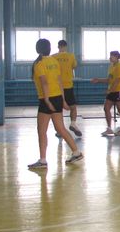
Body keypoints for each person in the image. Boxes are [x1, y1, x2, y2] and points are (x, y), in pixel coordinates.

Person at [28, 39, 84, 169]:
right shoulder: (54, 61)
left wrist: (47, 100)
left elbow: (44, 83)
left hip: (47, 99)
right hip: (58, 97)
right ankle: (76, 152)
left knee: (41, 130)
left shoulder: (39, 64)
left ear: (38, 49)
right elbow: (60, 81)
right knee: (60, 128)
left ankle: (43, 160)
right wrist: (63, 100)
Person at [91, 50, 120, 137]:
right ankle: (109, 128)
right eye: (110, 56)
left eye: (112, 56)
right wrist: (98, 80)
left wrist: (110, 90)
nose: (110, 58)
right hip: (112, 91)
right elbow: (109, 80)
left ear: (117, 57)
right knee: (106, 108)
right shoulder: (111, 66)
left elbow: (118, 80)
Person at [54, 40, 82, 137]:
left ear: (58, 47)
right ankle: (73, 123)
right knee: (73, 107)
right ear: (66, 46)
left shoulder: (53, 57)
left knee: (58, 110)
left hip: (57, 87)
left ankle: (59, 130)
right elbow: (74, 66)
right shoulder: (71, 56)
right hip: (68, 86)